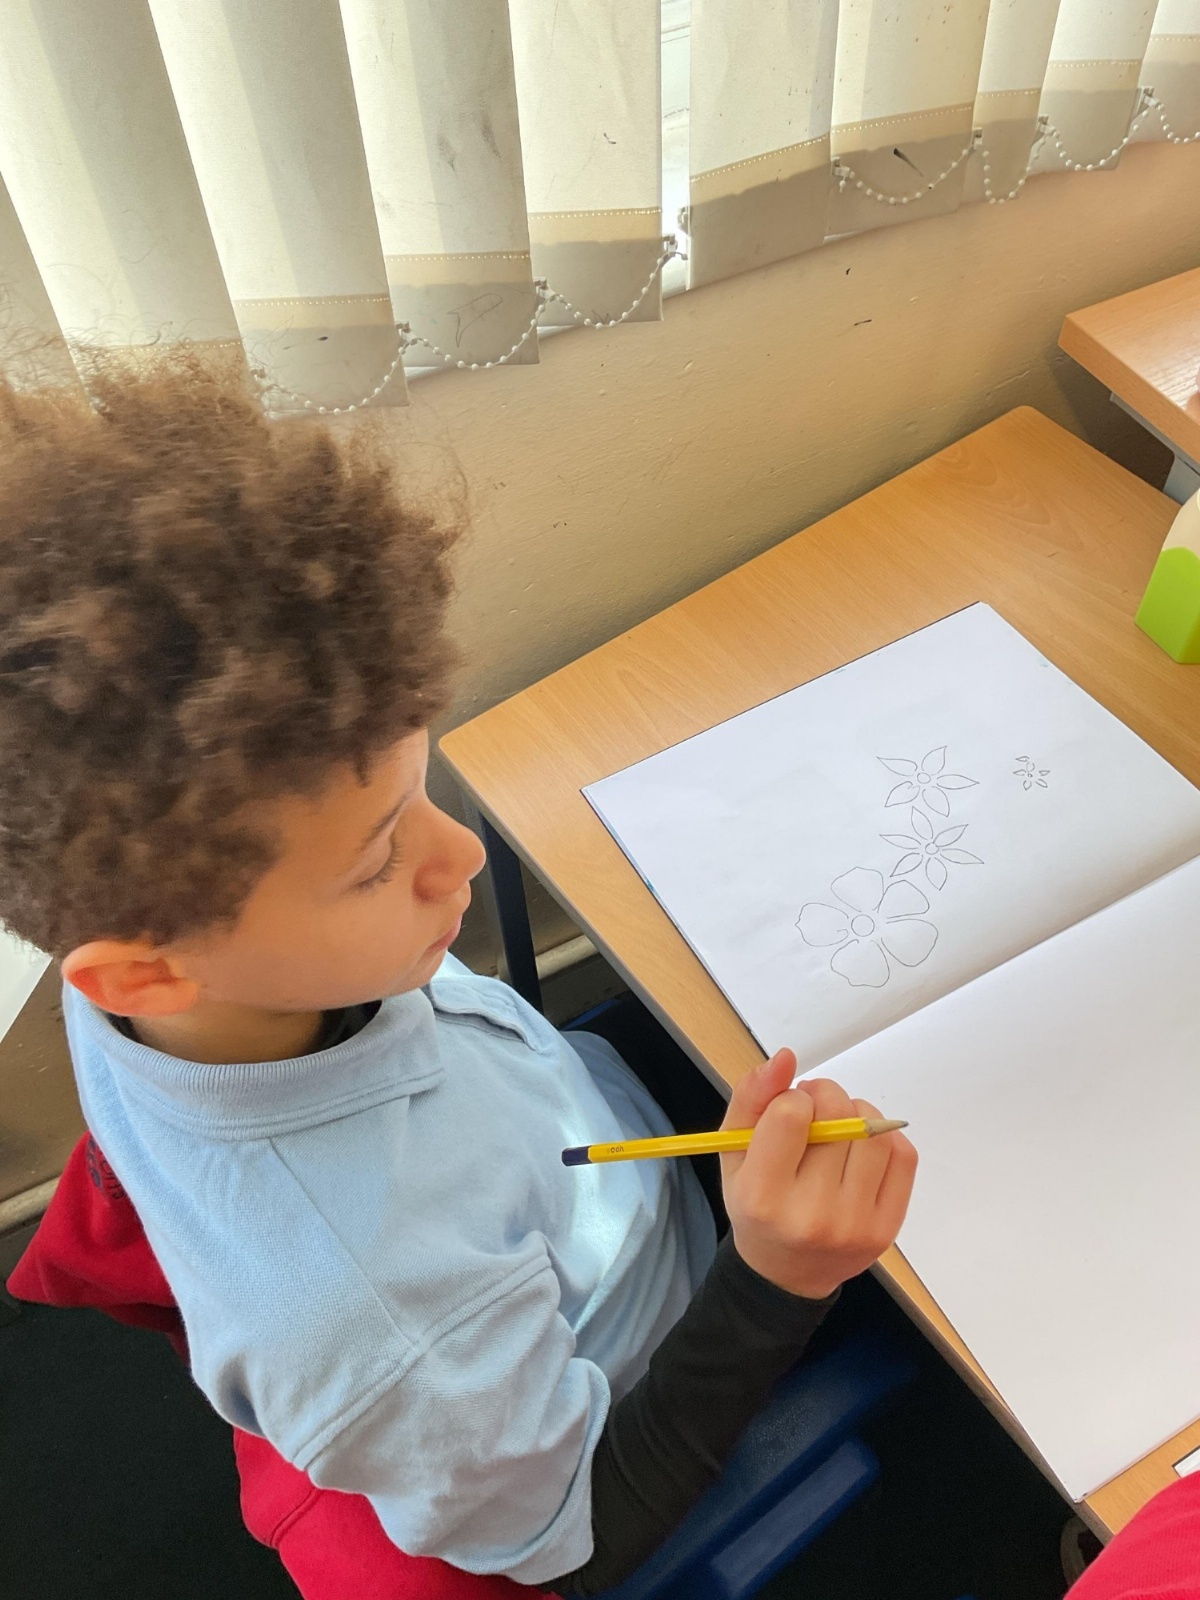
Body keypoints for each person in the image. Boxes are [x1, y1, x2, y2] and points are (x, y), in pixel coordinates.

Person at [0, 356, 917, 1596]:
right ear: (144, 974)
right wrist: (773, 1282)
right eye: (379, 858)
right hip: (659, 1336)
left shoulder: (160, 966)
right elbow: (578, 1533)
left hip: (568, 1166)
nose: (462, 856)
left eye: (416, 786)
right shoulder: (386, 1322)